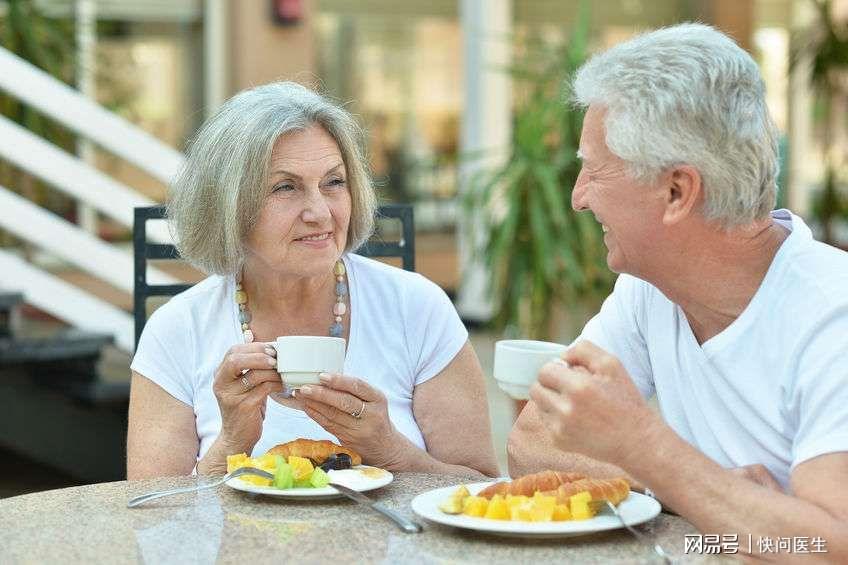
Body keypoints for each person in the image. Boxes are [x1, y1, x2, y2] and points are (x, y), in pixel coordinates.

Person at [508, 24, 848, 558]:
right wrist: (703, 488)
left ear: (676, 191)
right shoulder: (650, 290)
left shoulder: (834, 317)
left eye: (594, 170)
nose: (577, 198)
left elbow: (829, 547)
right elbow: (532, 443)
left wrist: (648, 447)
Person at [127, 82, 498, 479]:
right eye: (285, 187)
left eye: (333, 182)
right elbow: (153, 521)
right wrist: (231, 443)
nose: (320, 213)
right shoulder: (178, 330)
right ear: (228, 206)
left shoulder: (417, 308)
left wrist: (389, 450)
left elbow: (481, 486)